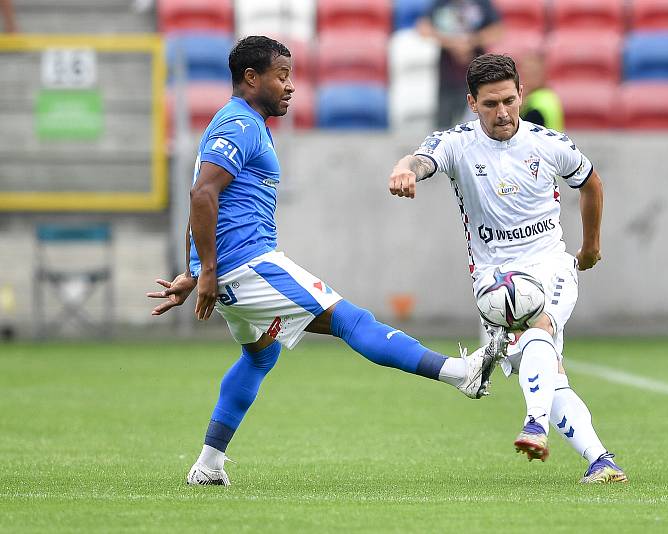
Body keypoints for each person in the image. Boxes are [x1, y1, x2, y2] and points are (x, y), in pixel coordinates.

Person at [147, 36, 495, 486]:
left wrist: (195, 272)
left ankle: (209, 465)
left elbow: (207, 193)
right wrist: (206, 272)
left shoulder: (241, 123)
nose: (291, 86)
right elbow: (202, 194)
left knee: (259, 358)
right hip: (248, 265)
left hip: (231, 268)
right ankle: (459, 373)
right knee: (352, 321)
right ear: (251, 78)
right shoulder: (240, 125)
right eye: (282, 76)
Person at [387, 54, 627, 484]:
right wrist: (405, 169)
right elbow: (422, 159)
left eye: (509, 101)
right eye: (491, 104)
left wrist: (590, 246)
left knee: (541, 327)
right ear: (472, 103)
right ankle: (600, 460)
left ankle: (534, 425)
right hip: (493, 277)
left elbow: (590, 182)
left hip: (550, 262)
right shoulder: (458, 143)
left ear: (521, 95)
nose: (502, 112)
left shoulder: (548, 143)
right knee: (550, 375)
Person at [417, 0, 503, 129]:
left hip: (477, 76)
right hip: (448, 77)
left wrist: (470, 42)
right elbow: (423, 29)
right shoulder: (441, 3)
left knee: (476, 125)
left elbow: (498, 31)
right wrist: (453, 44)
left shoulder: (482, 3)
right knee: (444, 126)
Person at [518, 51, 563, 131]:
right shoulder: (550, 96)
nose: (525, 78)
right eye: (523, 73)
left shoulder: (535, 106)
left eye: (531, 73)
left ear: (543, 75)